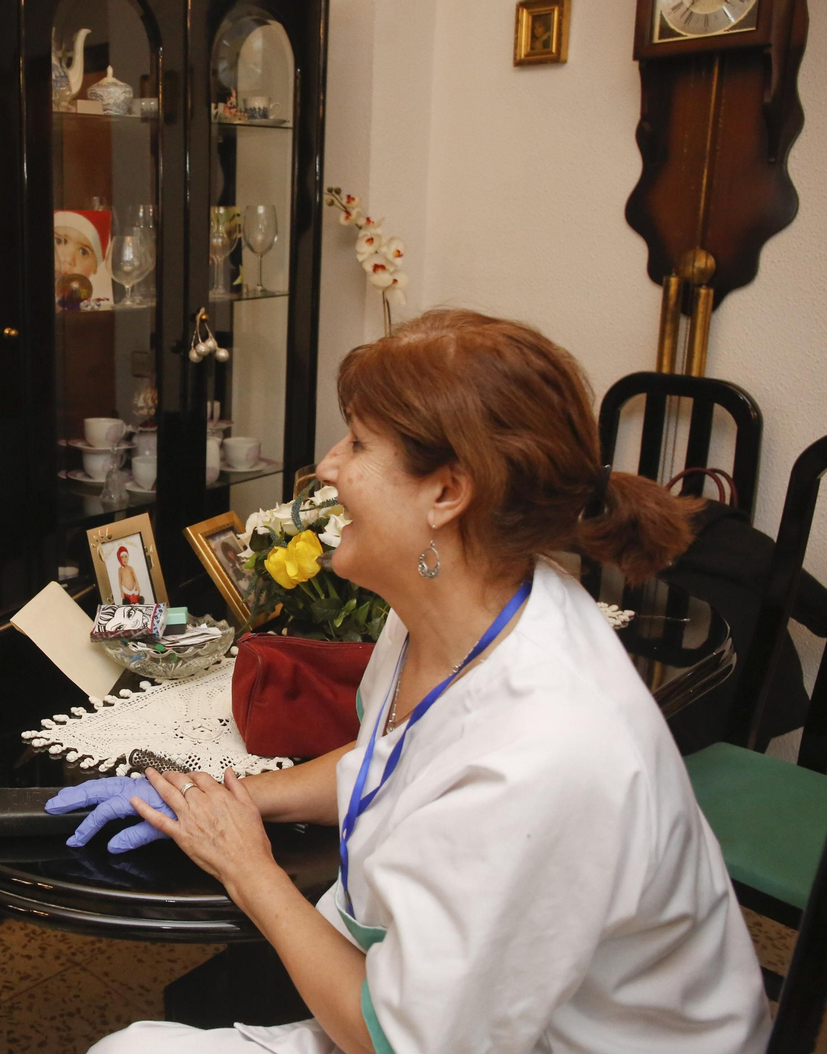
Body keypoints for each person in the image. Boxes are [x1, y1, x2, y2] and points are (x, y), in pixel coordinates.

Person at [57, 310, 771, 1053]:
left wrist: (247, 867)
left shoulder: (546, 752)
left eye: (360, 443)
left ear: (448, 492)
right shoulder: (452, 607)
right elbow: (392, 761)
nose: (328, 466)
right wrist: (221, 799)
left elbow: (398, 1041)